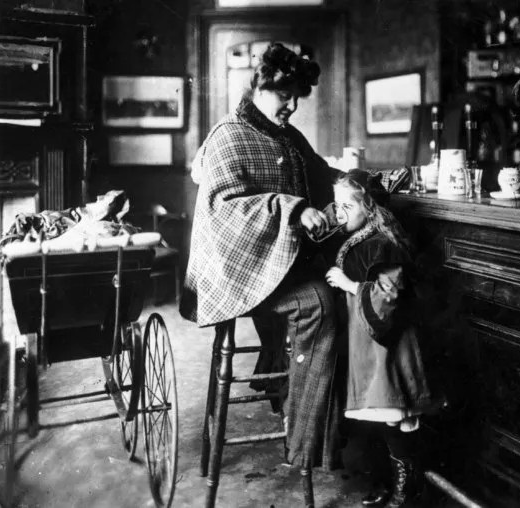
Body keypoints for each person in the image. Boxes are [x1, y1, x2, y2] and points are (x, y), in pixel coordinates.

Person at [180, 42, 344, 471]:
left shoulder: (288, 138)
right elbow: (226, 209)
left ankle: (299, 403)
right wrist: (292, 208)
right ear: (259, 86)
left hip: (277, 264)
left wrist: (359, 184)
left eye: (296, 96)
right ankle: (305, 444)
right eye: (283, 94)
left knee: (343, 288)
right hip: (234, 271)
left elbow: (322, 176)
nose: (291, 104)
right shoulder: (228, 137)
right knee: (321, 304)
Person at [325, 170, 433, 508]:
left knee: (394, 414)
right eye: (336, 206)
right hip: (367, 341)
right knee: (381, 415)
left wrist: (348, 285)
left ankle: (407, 490)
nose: (340, 214)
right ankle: (394, 483)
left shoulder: (384, 244)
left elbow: (387, 298)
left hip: (389, 345)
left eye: (348, 206)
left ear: (369, 207)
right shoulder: (361, 237)